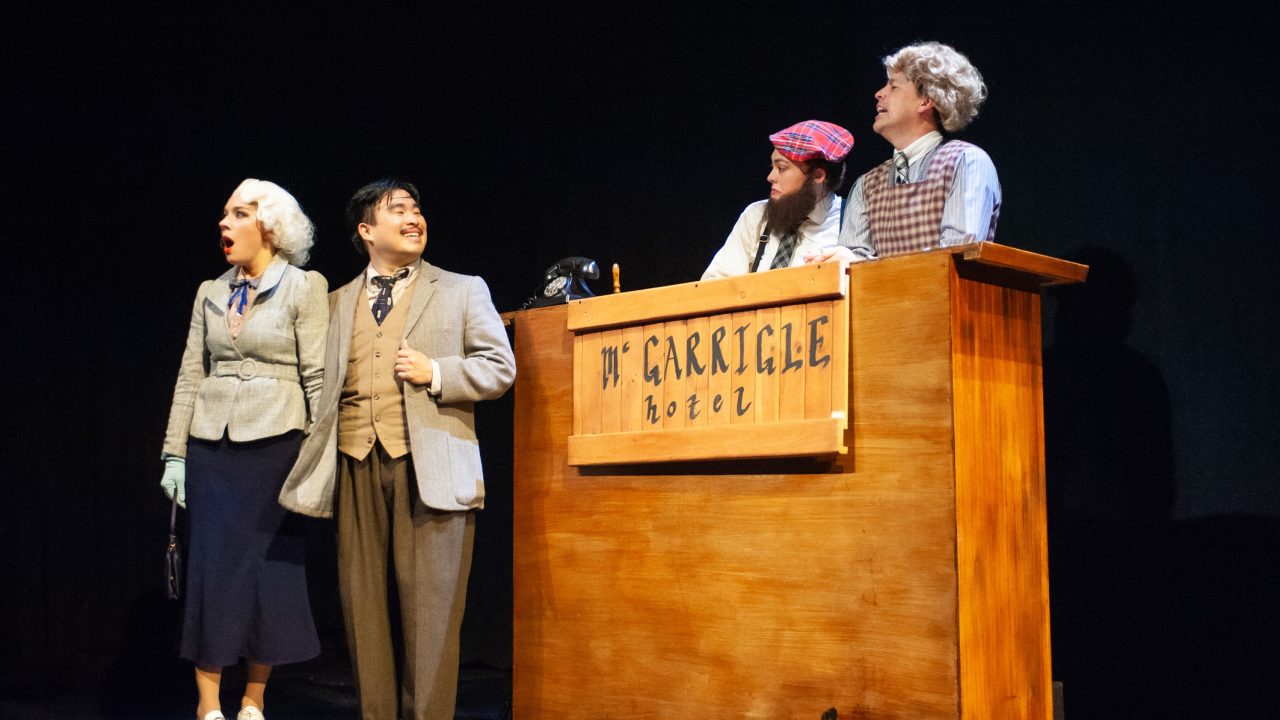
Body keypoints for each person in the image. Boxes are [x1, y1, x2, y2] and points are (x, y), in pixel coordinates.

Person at [278, 179, 516, 720]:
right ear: (366, 231)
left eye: (417, 210)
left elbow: (500, 367)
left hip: (430, 464)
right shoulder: (335, 302)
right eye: (397, 211)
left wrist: (438, 372)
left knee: (431, 615)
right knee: (362, 612)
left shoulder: (461, 289)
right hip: (355, 461)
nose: (414, 219)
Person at [160, 179, 328, 720]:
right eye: (225, 216)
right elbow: (190, 374)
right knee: (212, 570)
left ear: (269, 226)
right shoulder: (210, 290)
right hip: (212, 447)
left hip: (277, 447)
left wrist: (319, 455)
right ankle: (208, 705)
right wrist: (174, 454)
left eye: (237, 214)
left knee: (268, 574)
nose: (224, 225)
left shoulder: (305, 286)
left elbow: (318, 377)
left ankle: (254, 700)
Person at [835, 41, 1002, 260]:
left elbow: (955, 256)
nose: (879, 93)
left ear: (926, 100)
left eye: (893, 86)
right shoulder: (867, 185)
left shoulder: (965, 162)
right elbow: (853, 269)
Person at [701, 119, 854, 279]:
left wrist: (855, 267)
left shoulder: (850, 220)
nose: (770, 177)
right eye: (772, 167)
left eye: (781, 168)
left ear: (818, 175)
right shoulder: (757, 215)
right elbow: (715, 283)